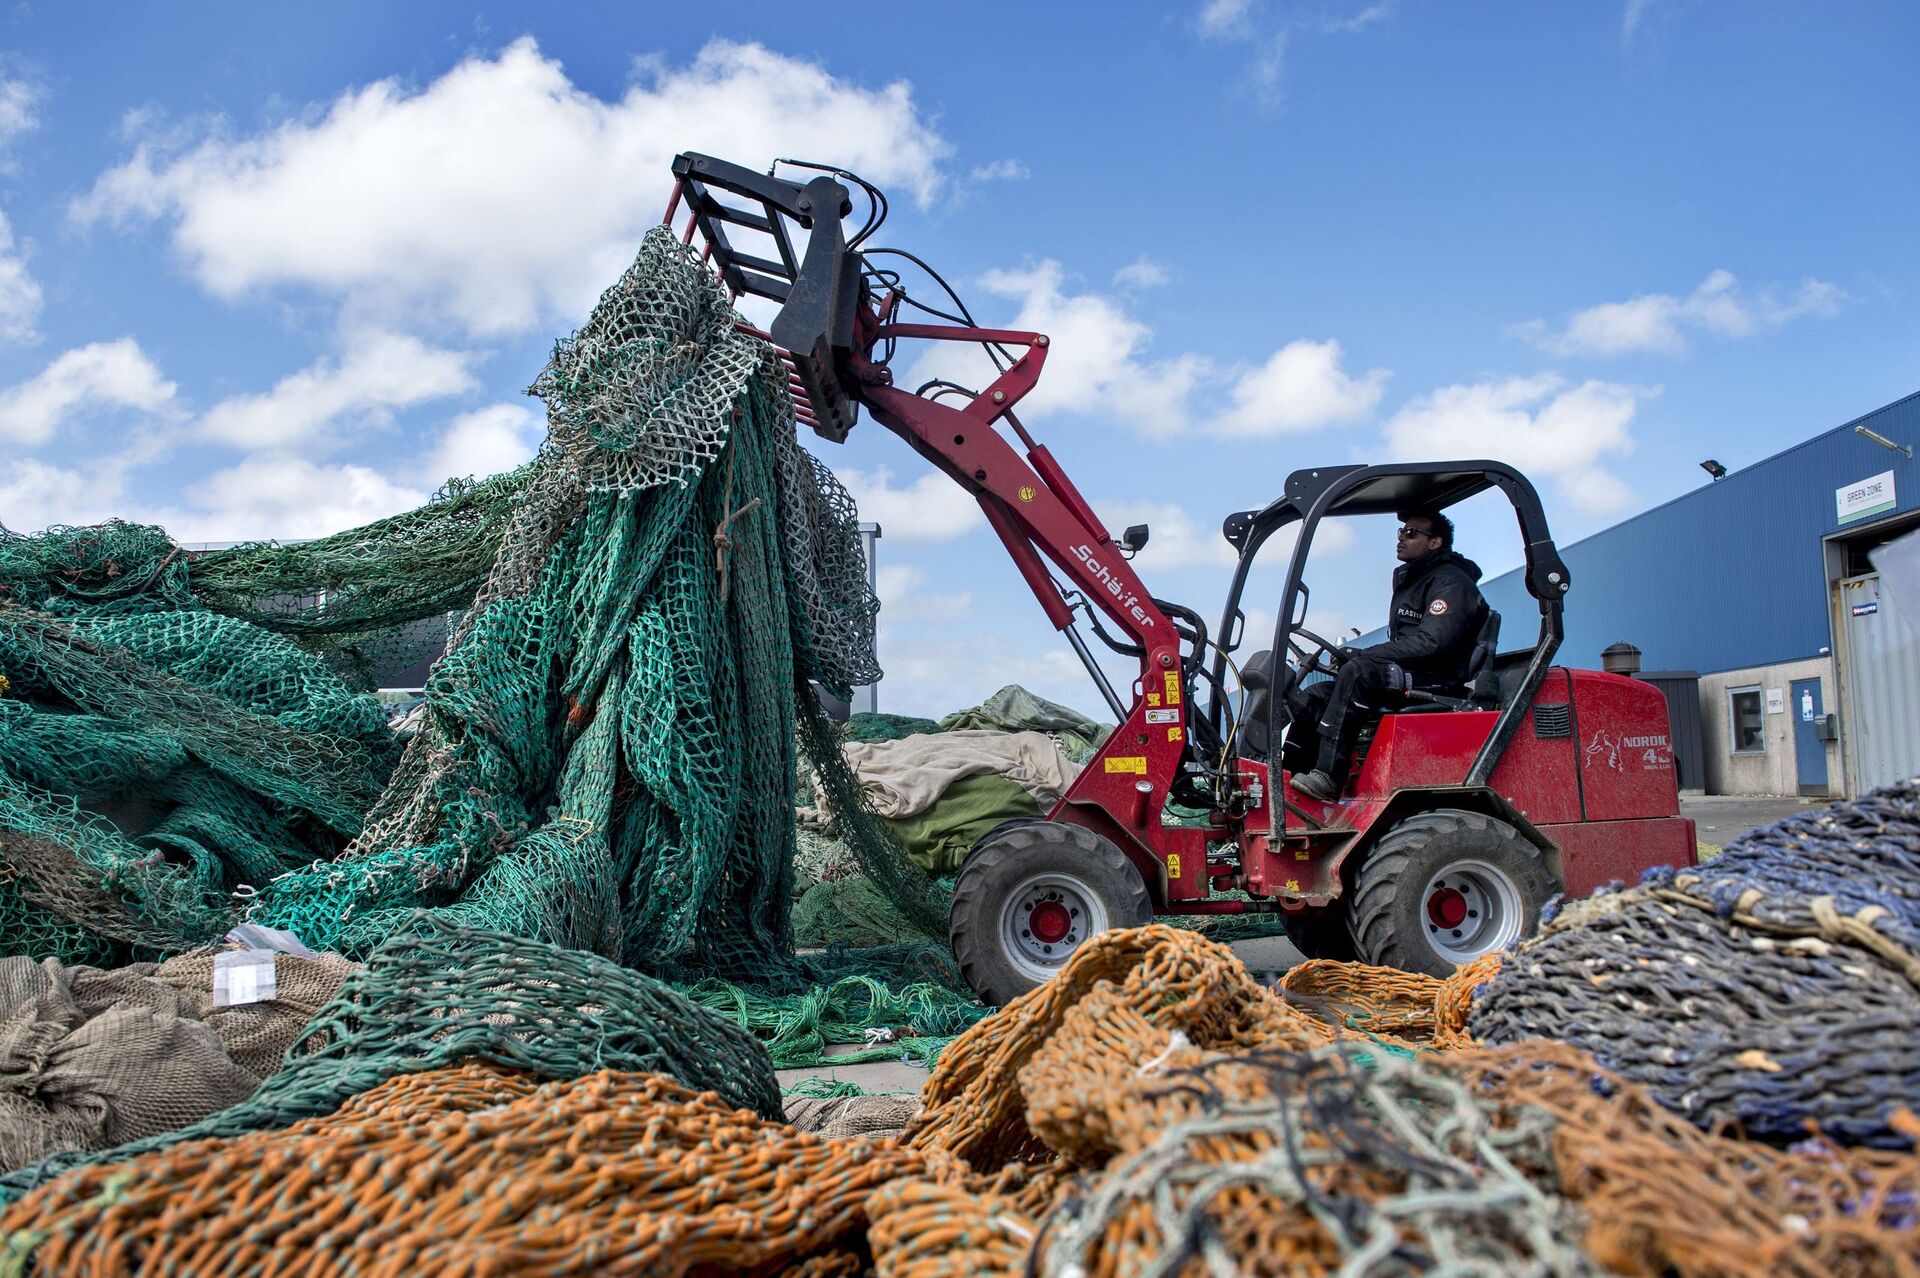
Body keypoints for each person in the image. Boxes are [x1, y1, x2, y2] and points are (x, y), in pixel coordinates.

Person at [1289, 509, 1485, 801]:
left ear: (1435, 543)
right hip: (1412, 672)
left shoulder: (1451, 583)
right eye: (1400, 532)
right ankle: (1288, 776)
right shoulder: (1413, 580)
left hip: (1439, 679)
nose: (1401, 538)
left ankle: (1329, 777)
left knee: (1360, 673)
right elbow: (1405, 642)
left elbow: (1433, 641)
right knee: (1319, 693)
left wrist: (1368, 654)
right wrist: (1359, 654)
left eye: (1412, 533)